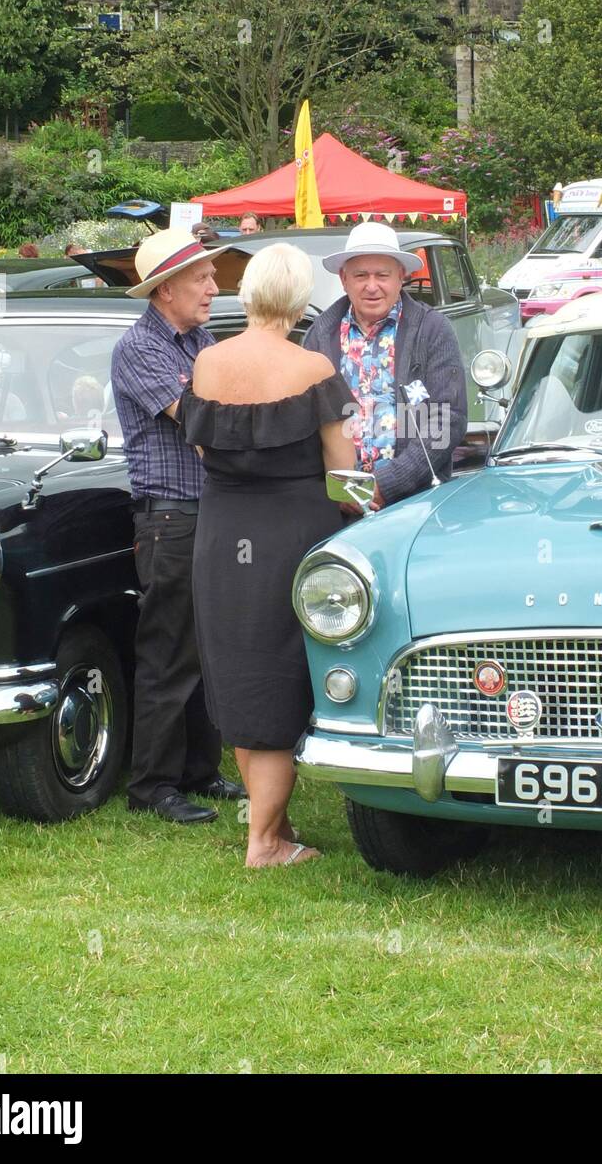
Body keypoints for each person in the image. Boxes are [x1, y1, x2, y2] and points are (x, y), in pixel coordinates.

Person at [181, 243, 355, 867]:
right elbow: (344, 472)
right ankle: (267, 841)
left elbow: (205, 451)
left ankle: (266, 827)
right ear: (299, 296)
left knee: (239, 675)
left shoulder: (206, 361)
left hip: (223, 530)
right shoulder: (313, 369)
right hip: (292, 532)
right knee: (279, 680)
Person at [111, 229, 244, 824]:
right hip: (170, 517)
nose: (214, 288)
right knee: (166, 651)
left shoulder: (199, 341)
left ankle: (198, 770)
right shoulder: (141, 348)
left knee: (202, 646)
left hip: (199, 512)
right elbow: (200, 419)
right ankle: (153, 786)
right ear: (165, 289)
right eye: (202, 279)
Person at [302, 221, 467, 506]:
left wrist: (389, 483)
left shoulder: (432, 330)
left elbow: (447, 419)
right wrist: (341, 491)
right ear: (343, 279)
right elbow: (305, 419)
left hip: (414, 502)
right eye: (360, 275)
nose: (371, 286)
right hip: (336, 504)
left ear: (401, 277)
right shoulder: (320, 334)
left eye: (383, 275)